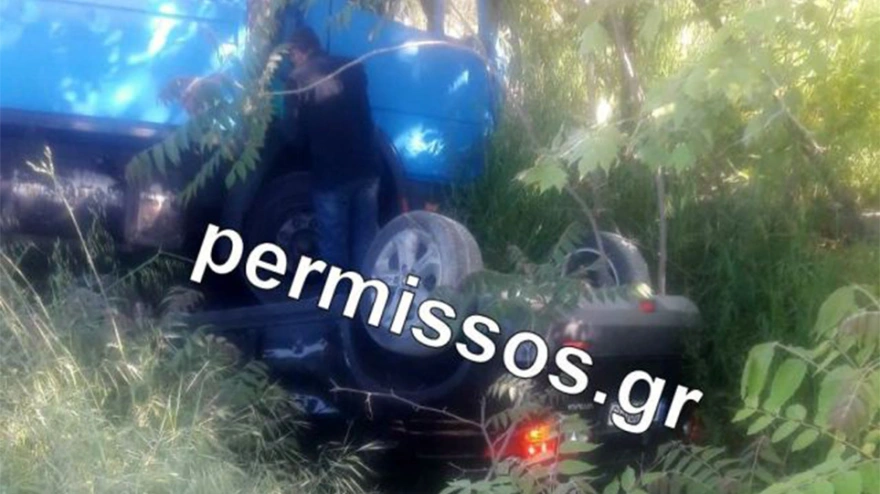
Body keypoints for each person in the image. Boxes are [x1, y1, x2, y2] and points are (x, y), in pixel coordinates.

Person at [285, 26, 382, 273]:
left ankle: (339, 296)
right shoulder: (353, 66)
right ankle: (367, 292)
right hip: (367, 167)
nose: (291, 61)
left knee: (333, 244)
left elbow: (295, 138)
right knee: (366, 240)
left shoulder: (296, 80)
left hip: (331, 175)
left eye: (291, 55)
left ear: (299, 51)